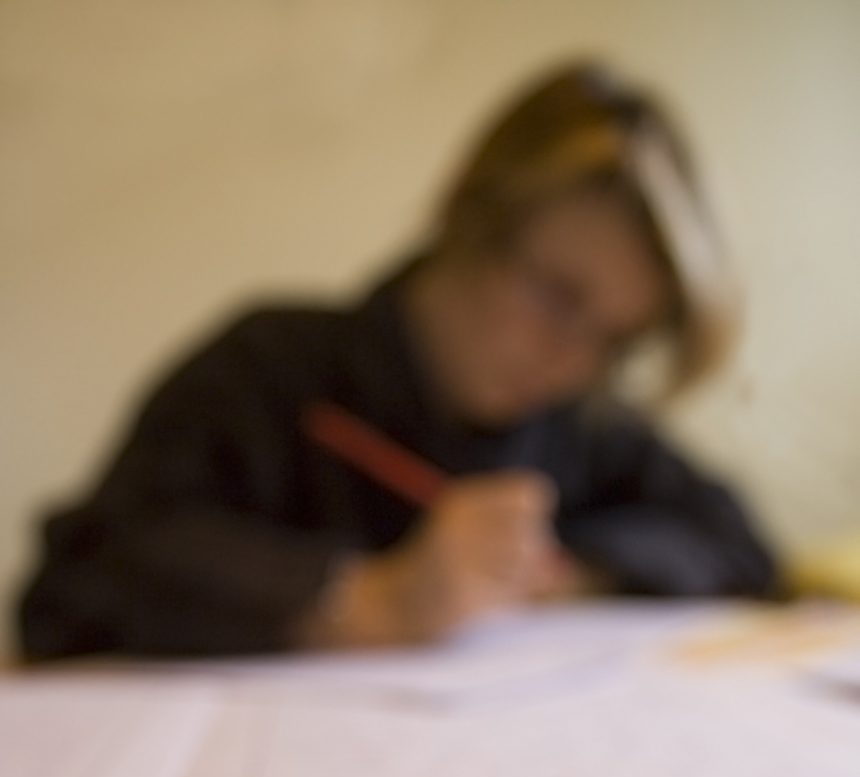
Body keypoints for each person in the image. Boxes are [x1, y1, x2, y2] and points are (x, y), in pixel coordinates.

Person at [18, 61, 778, 659]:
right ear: (466, 214)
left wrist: (573, 572)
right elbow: (75, 581)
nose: (571, 361)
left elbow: (736, 544)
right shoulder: (270, 367)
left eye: (614, 340)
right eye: (556, 297)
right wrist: (369, 598)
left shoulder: (574, 424)